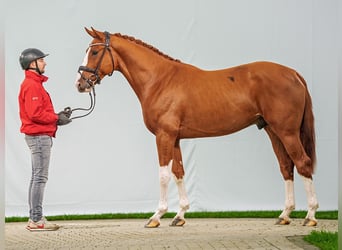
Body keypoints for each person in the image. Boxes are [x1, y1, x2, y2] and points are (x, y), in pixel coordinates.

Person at [18, 48, 72, 231]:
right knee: (40, 178)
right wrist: (56, 118)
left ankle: (35, 217)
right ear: (32, 64)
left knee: (37, 177)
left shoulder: (34, 84)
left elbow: (39, 113)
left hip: (39, 135)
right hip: (39, 138)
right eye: (41, 60)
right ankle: (36, 220)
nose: (45, 63)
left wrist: (57, 117)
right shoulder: (32, 85)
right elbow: (35, 114)